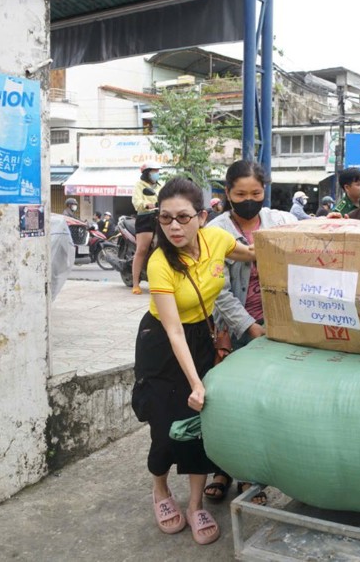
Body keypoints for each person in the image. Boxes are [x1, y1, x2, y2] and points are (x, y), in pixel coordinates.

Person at [134, 176, 255, 546]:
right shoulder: (159, 263)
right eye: (165, 218)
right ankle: (160, 490)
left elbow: (252, 254)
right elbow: (172, 331)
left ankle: (196, 503)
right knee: (166, 426)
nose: (173, 226)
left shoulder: (216, 239)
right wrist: (197, 382)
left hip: (201, 337)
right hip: (162, 344)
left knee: (199, 427)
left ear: (201, 216)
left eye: (183, 217)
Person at [204, 159, 298, 506]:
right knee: (226, 402)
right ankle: (223, 470)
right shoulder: (215, 232)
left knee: (260, 403)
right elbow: (218, 291)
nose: (248, 199)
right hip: (234, 330)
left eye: (255, 193)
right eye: (240, 193)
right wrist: (250, 327)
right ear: (227, 193)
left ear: (264, 191)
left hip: (276, 328)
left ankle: (252, 474)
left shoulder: (280, 221)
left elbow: (310, 236)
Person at [131, 163, 164, 295]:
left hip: (160, 217)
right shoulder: (140, 185)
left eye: (158, 171)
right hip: (145, 218)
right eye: (154, 171)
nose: (157, 173)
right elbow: (136, 202)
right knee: (142, 249)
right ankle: (135, 283)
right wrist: (146, 204)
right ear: (147, 173)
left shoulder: (161, 186)